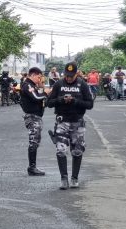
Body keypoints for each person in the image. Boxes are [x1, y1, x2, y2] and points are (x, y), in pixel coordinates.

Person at [47, 62, 94, 190]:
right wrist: (60, 100)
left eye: (71, 76)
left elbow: (90, 104)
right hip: (62, 121)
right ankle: (63, 178)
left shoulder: (82, 84)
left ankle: (74, 178)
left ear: (76, 74)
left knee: (77, 151)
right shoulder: (58, 84)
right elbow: (48, 103)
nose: (68, 78)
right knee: (61, 150)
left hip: (77, 121)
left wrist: (76, 101)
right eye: (67, 76)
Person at [20, 67, 50, 176]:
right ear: (33, 75)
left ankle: (32, 166)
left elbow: (41, 100)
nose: (39, 79)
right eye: (38, 77)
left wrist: (42, 88)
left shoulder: (33, 85)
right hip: (32, 117)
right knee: (33, 141)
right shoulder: (27, 85)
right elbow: (36, 98)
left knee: (36, 141)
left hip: (36, 116)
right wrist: (45, 93)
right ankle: (32, 167)